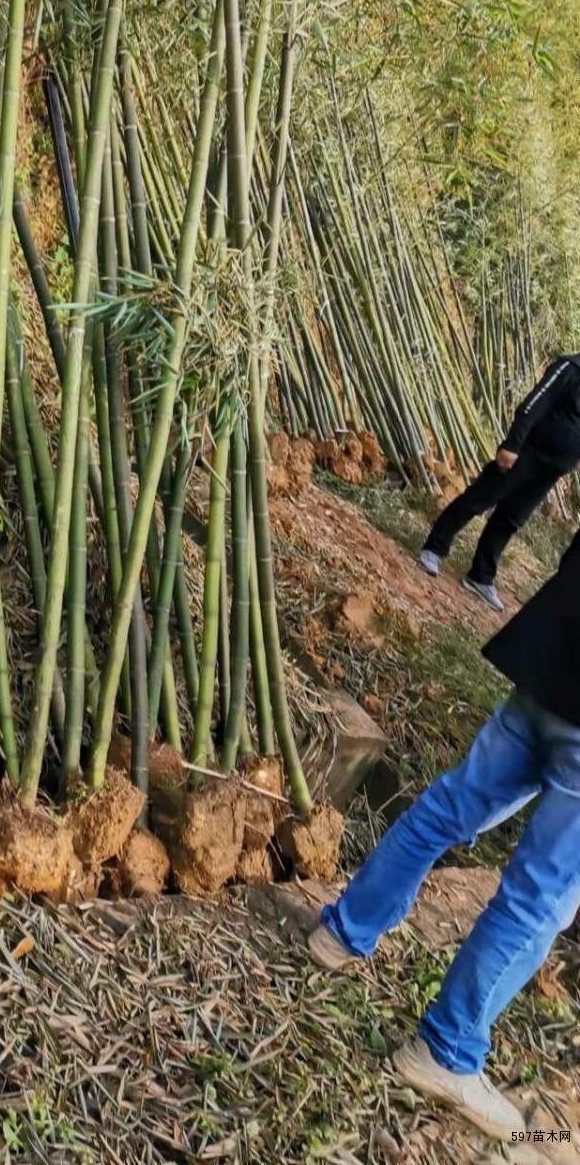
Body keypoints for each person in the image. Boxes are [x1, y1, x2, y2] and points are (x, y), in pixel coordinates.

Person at [308, 529, 580, 1139]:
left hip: (553, 661)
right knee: (541, 898)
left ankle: (343, 934)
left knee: (445, 810)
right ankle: (448, 1050)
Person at [419, 354, 580, 613]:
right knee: (481, 497)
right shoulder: (571, 368)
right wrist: (512, 444)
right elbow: (534, 404)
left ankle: (480, 576)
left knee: (512, 518)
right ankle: (434, 548)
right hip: (528, 452)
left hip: (551, 470)